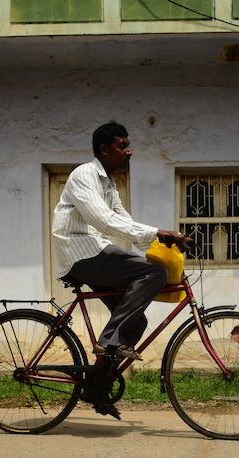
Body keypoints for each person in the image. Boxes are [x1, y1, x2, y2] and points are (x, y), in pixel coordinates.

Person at [52, 121, 186, 363]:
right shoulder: (84, 175)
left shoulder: (109, 185)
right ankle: (109, 341)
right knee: (155, 273)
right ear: (104, 150)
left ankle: (97, 388)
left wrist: (164, 245)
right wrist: (158, 233)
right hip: (82, 252)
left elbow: (126, 224)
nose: (129, 151)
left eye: (129, 145)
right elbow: (104, 222)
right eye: (122, 146)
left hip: (95, 252)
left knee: (136, 322)